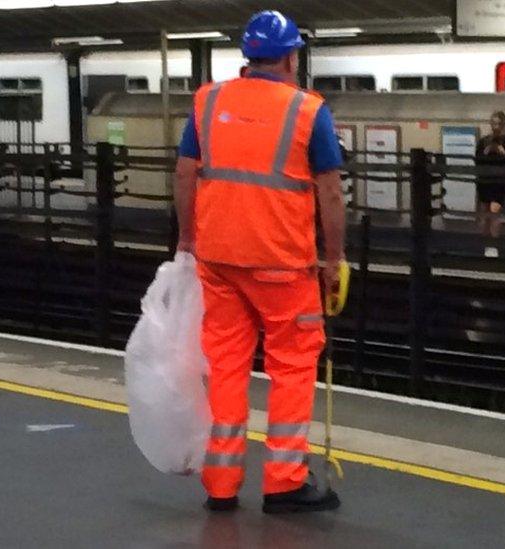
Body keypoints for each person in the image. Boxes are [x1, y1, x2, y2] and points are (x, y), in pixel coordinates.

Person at [174, 10, 346, 514]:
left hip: (219, 259)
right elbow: (330, 193)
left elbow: (185, 175)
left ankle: (221, 485)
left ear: (248, 56)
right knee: (292, 366)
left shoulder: (209, 101)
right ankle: (284, 482)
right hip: (283, 265)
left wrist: (187, 239)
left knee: (225, 366)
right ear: (292, 57)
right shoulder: (309, 111)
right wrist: (333, 260)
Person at [475, 110, 505, 244]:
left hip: (500, 182)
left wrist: (503, 152)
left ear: (504, 124)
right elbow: (477, 160)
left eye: (499, 124)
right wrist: (486, 151)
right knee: (485, 213)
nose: (496, 127)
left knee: (495, 212)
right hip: (485, 181)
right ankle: (483, 243)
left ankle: (494, 244)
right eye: (494, 123)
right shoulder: (484, 141)